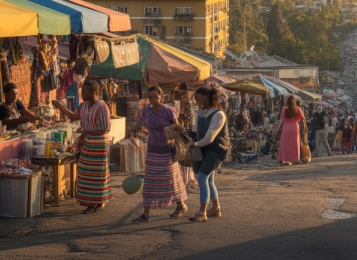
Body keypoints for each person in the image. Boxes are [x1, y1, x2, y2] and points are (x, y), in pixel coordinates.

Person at [127, 86, 188, 222]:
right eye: (150, 97)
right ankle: (146, 213)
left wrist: (185, 134)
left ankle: (180, 205)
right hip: (152, 150)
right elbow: (141, 121)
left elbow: (177, 127)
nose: (153, 100)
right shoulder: (146, 110)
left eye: (155, 97)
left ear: (161, 97)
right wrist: (132, 129)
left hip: (167, 150)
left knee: (171, 180)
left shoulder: (168, 111)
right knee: (149, 181)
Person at [53, 80, 112, 214]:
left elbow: (105, 129)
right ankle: (92, 201)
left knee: (97, 174)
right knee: (85, 173)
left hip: (99, 145)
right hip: (87, 143)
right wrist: (60, 106)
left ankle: (95, 202)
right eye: (82, 92)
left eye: (84, 92)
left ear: (93, 93)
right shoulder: (83, 106)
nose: (82, 94)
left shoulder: (102, 107)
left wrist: (86, 131)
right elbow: (74, 116)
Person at [189, 86, 229, 222]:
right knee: (209, 179)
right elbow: (198, 132)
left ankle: (202, 211)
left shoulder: (219, 114)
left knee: (201, 177)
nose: (197, 101)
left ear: (206, 97)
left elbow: (209, 138)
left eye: (198, 99)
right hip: (204, 148)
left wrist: (194, 145)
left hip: (216, 149)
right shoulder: (200, 112)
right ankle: (216, 208)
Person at [279, 96, 305, 165]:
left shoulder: (285, 109)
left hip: (286, 127)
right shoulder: (298, 109)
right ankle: (295, 158)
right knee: (294, 143)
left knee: (285, 143)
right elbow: (303, 118)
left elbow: (281, 120)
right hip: (295, 127)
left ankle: (284, 159)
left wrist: (279, 128)